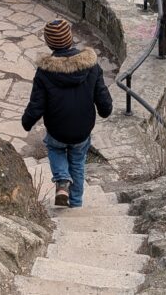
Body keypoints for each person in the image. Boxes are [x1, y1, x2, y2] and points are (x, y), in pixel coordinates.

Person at [21, 18, 113, 207]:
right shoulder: (91, 66)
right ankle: (76, 202)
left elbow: (36, 104)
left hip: (57, 128)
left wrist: (27, 122)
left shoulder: (45, 72)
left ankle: (62, 180)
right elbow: (102, 97)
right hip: (82, 129)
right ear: (70, 39)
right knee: (78, 163)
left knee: (55, 148)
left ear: (49, 43)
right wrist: (105, 110)